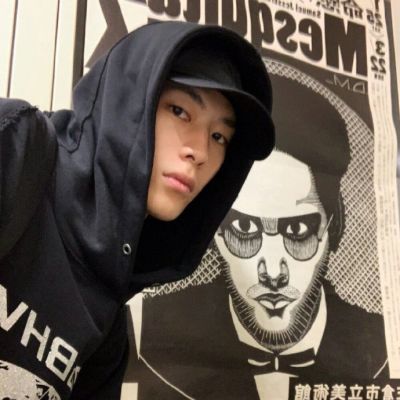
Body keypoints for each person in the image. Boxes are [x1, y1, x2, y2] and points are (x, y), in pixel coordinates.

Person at [0, 21, 274, 399]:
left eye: (218, 136)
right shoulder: (17, 148)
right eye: (179, 111)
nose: (200, 151)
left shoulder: (107, 329)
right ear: (126, 102)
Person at [127, 75, 389, 400]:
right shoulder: (145, 326)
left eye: (297, 231)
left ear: (333, 228)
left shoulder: (383, 344)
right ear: (216, 233)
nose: (273, 273)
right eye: (245, 229)